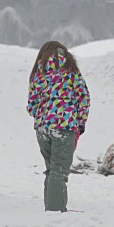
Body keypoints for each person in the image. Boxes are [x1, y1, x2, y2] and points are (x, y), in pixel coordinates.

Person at [27, 41, 90, 212]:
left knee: (51, 169)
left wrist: (42, 116)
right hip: (64, 126)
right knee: (59, 171)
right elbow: (83, 98)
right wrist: (80, 123)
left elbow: (31, 105)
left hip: (42, 129)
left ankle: (53, 208)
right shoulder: (71, 73)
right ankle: (55, 212)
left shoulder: (38, 74)